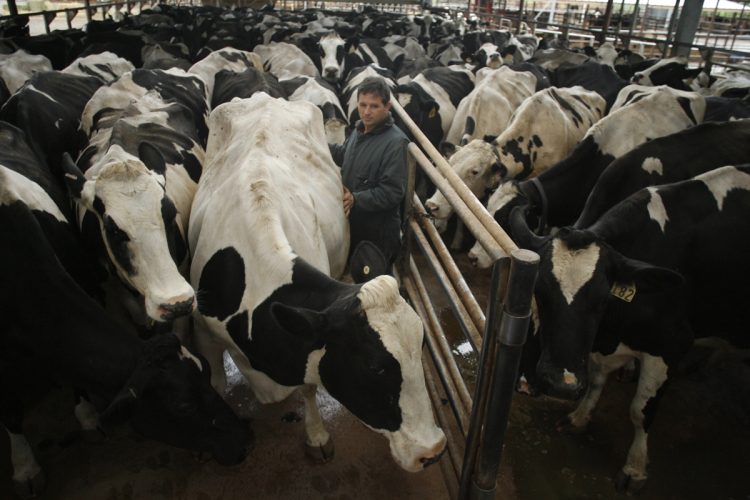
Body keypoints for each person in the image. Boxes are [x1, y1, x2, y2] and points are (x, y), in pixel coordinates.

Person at [329, 76, 409, 282]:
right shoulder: (359, 130)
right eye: (363, 104)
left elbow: (392, 192)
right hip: (356, 224)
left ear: (387, 106)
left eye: (374, 106)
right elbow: (343, 154)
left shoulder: (395, 142)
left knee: (375, 285)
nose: (366, 111)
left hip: (377, 233)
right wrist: (317, 145)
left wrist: (356, 199)